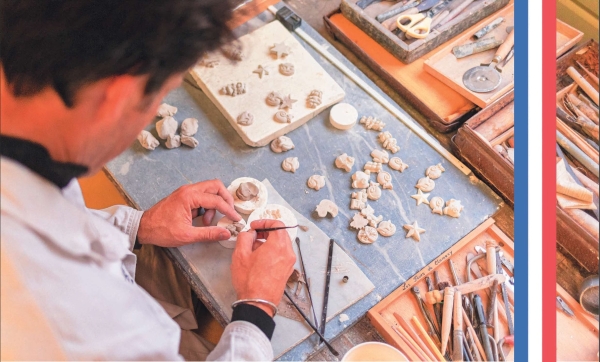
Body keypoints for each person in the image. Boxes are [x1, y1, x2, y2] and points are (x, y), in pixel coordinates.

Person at [0, 0, 296, 360]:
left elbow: (43, 211)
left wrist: (138, 225)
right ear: (119, 97)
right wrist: (256, 309)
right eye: (162, 95)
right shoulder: (71, 322)